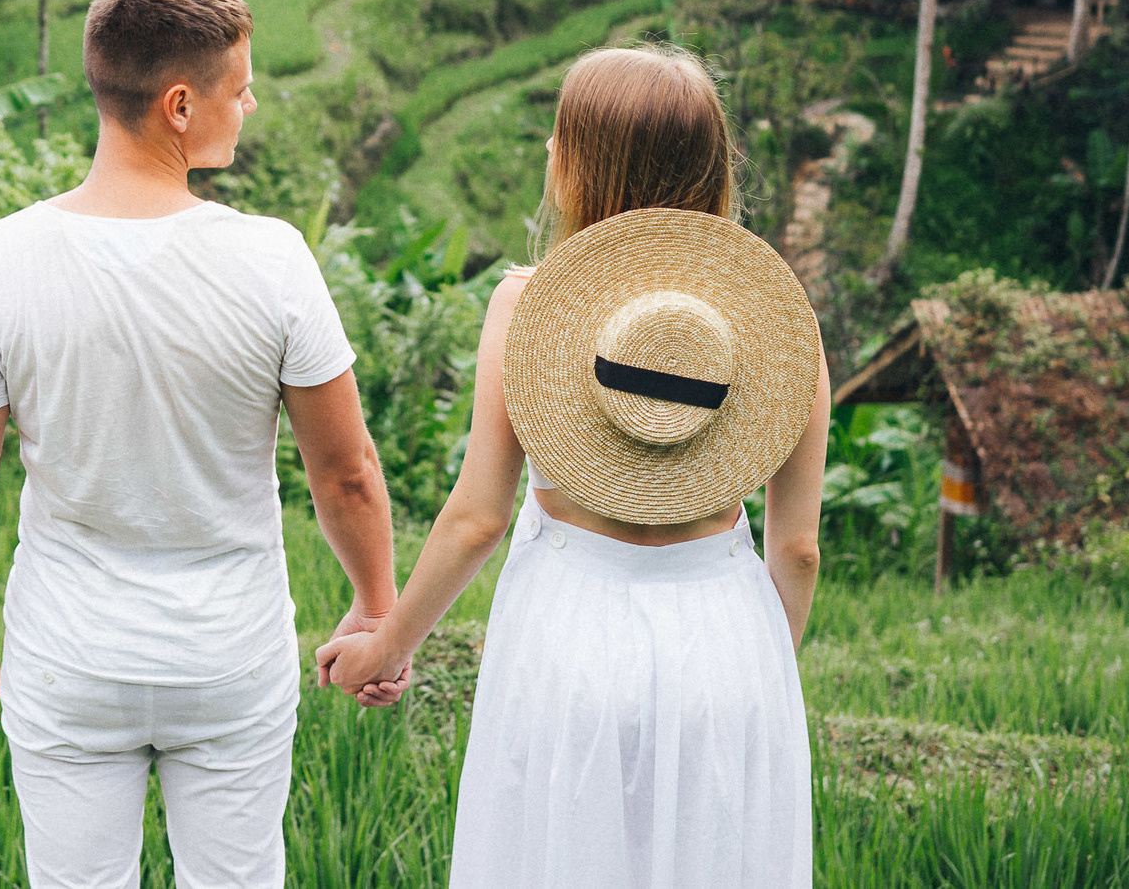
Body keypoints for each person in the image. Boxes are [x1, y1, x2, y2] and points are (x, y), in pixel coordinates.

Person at [0, 0, 401, 889]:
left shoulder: (0, 258)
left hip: (69, 658)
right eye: (238, 87)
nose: (250, 103)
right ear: (180, 105)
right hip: (228, 659)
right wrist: (377, 610)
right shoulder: (271, 259)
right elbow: (347, 472)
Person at [318, 44, 832, 888]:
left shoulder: (529, 306)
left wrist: (389, 643)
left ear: (583, 166)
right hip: (728, 644)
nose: (549, 149)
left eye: (561, 137)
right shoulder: (781, 323)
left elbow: (478, 516)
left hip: (570, 639)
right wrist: (761, 668)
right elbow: (799, 549)